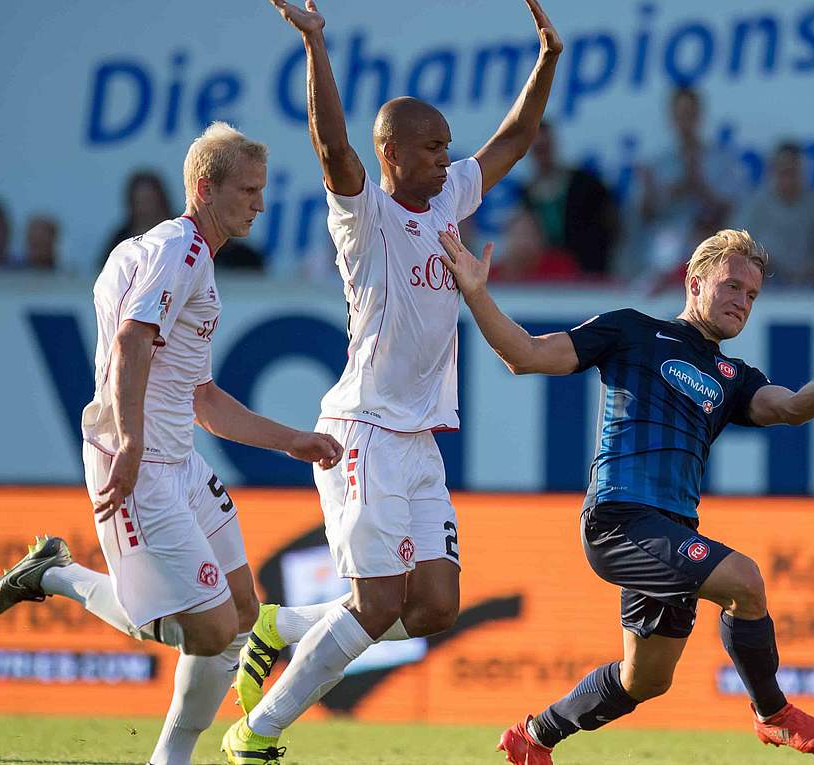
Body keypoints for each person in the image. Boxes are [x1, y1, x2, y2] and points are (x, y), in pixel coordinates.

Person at [220, 0, 562, 761]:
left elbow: (514, 140)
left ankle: (281, 626)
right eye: (432, 147)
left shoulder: (449, 198)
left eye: (447, 147)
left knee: (435, 607)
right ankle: (256, 732)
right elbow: (330, 144)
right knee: (375, 604)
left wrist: (548, 60)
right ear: (392, 153)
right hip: (365, 430)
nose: (446, 158)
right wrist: (316, 44)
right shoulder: (364, 214)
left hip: (417, 438)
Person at [0, 122, 343, 765]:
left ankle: (56, 577)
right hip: (141, 464)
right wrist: (127, 443)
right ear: (205, 189)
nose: (260, 204)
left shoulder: (170, 253)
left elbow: (201, 398)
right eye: (248, 190)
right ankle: (62, 579)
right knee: (209, 629)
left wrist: (290, 440)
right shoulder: (180, 250)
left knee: (241, 613)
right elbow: (130, 341)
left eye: (261, 189)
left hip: (179, 461)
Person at [436, 228, 814, 763]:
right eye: (732, 286)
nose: (742, 302)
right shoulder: (631, 331)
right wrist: (476, 292)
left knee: (645, 679)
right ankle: (773, 714)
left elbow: (791, 408)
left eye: (752, 295)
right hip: (618, 519)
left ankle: (534, 735)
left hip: (670, 531)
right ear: (694, 282)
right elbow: (525, 354)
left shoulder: (733, 376)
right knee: (745, 581)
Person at [636, 87, 747, 288]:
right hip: (666, 244)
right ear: (672, 118)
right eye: (680, 115)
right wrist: (651, 195)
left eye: (690, 114)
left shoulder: (720, 160)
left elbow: (730, 212)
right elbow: (644, 216)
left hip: (708, 244)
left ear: (699, 116)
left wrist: (697, 185)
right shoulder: (657, 163)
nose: (685, 121)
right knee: (662, 248)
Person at [499, 119, 617, 281]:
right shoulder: (526, 194)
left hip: (589, 274)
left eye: (545, 148)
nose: (542, 156)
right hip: (547, 276)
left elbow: (610, 223)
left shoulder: (586, 184)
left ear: (554, 146)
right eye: (537, 150)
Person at [737, 141, 814, 287]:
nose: (789, 179)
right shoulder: (755, 205)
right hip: (764, 286)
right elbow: (737, 251)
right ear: (773, 172)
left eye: (794, 173)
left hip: (809, 286)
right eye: (784, 172)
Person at [101, 169, 175, 269]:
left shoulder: (180, 231)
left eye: (149, 200)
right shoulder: (121, 238)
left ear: (161, 200)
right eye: (139, 201)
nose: (145, 207)